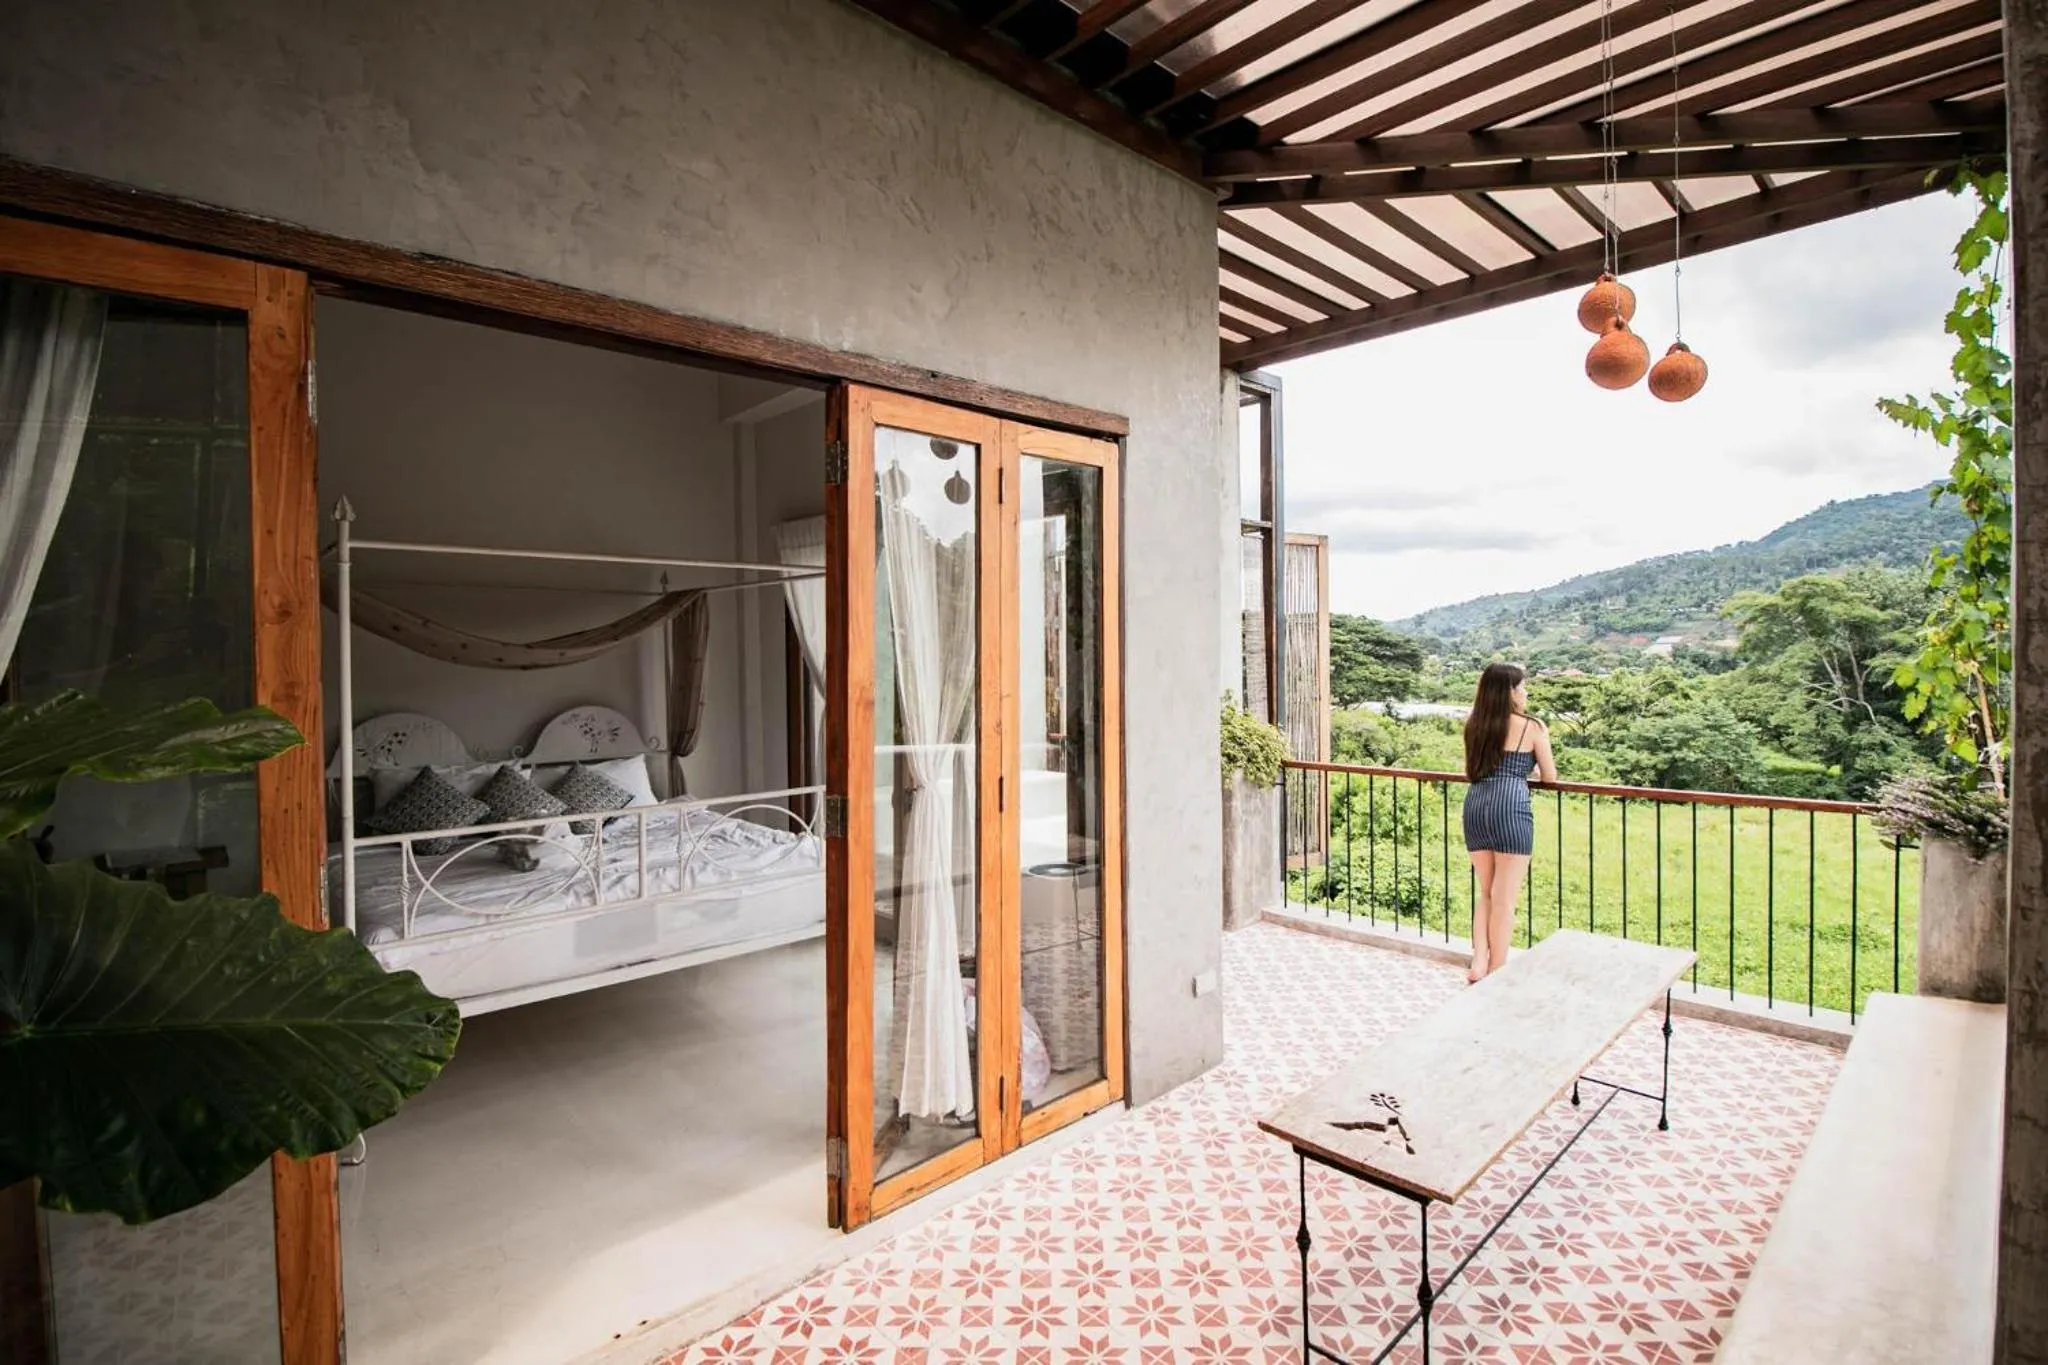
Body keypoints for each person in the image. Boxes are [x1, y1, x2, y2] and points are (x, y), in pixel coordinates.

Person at [1461, 662, 1557, 983]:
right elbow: (1550, 776)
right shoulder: (1532, 726)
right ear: (1510, 692)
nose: (1526, 692)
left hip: (1476, 803)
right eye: (1522, 687)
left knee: (1486, 892)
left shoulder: (1475, 723)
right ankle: (1498, 969)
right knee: (1506, 897)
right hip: (1511, 805)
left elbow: (1472, 768)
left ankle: (1478, 962)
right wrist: (1521, 771)